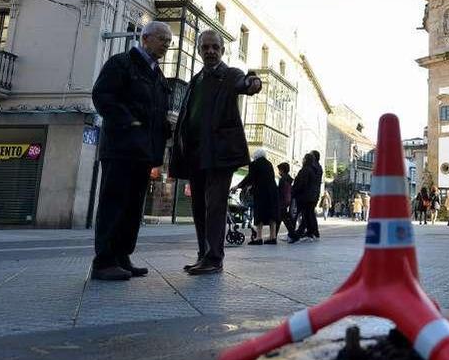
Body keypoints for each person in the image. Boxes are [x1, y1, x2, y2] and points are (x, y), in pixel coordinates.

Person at [169, 30, 262, 275]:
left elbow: (247, 84)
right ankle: (204, 254)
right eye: (205, 47)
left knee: (215, 205)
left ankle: (214, 258)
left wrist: (254, 83)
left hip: (220, 154)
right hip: (195, 153)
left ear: (222, 50)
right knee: (199, 206)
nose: (210, 51)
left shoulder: (230, 75)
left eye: (215, 47)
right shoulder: (196, 80)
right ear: (199, 50)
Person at [90, 21, 173, 281]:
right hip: (121, 149)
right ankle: (104, 261)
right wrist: (130, 123)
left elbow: (158, 113)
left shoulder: (158, 75)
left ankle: (122, 255)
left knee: (133, 207)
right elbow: (102, 96)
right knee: (114, 203)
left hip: (144, 153)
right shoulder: (121, 63)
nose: (166, 45)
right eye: (162, 39)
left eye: (169, 42)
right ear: (145, 38)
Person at [290, 153, 322, 242]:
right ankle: (311, 233)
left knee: (303, 215)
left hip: (304, 196)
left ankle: (298, 234)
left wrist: (294, 191)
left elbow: (301, 184)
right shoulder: (315, 169)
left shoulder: (306, 170)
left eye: (304, 158)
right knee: (308, 215)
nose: (302, 160)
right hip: (312, 196)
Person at [275, 162, 295, 238]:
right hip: (286, 200)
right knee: (281, 219)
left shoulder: (283, 179)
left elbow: (280, 191)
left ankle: (293, 235)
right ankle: (274, 236)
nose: (278, 172)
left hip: (281, 201)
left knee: (283, 219)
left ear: (282, 170)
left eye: (279, 170)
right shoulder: (288, 178)